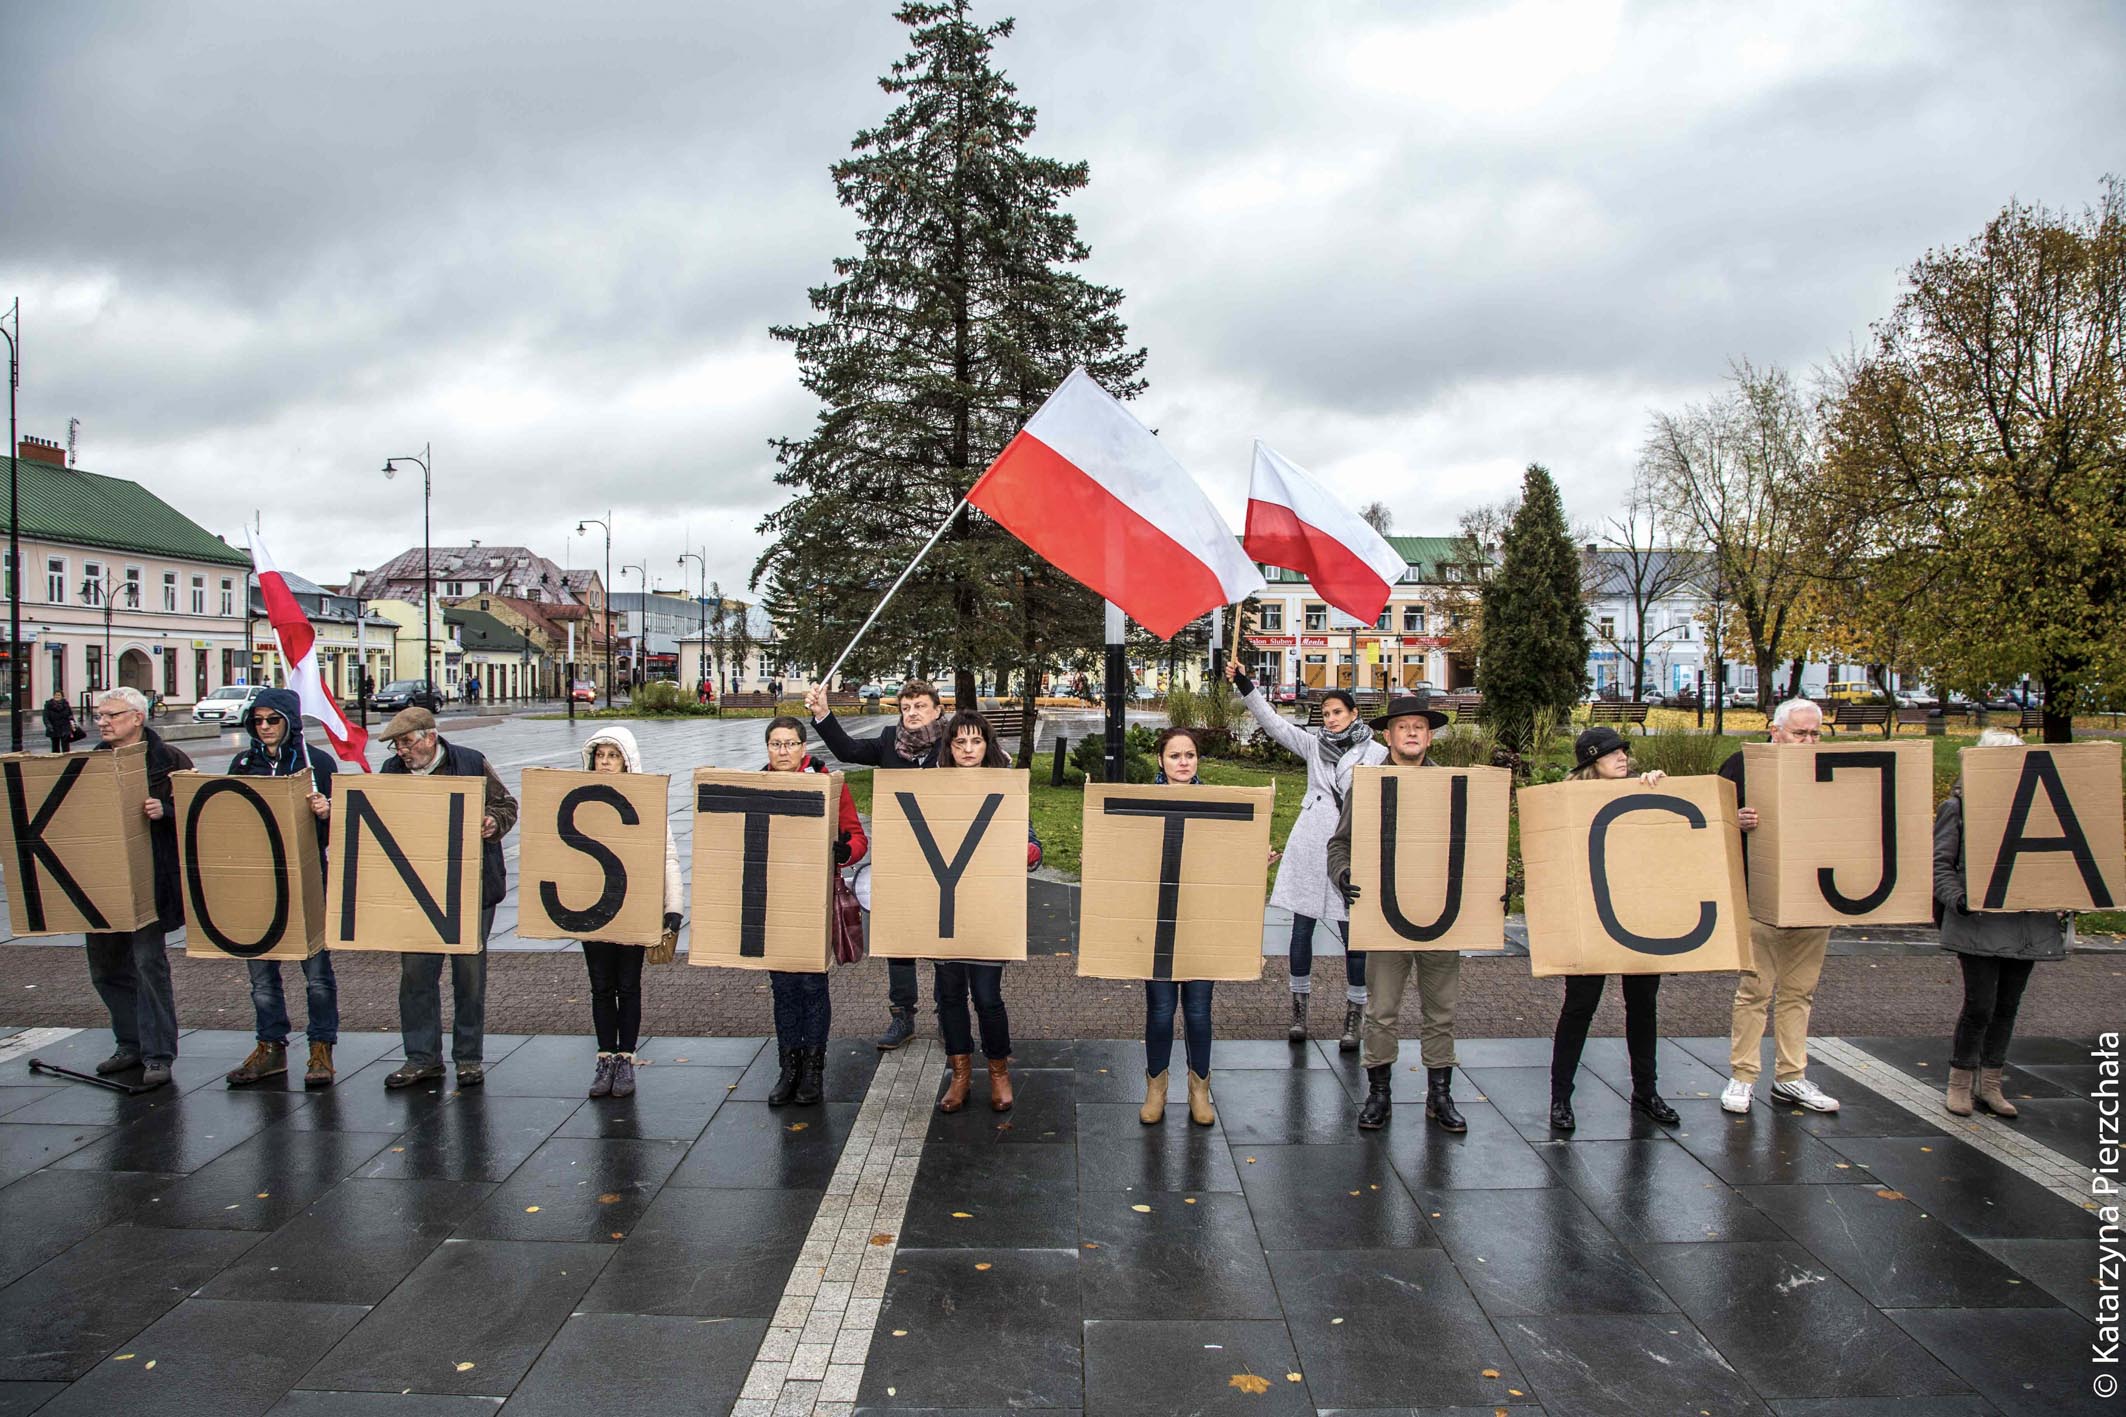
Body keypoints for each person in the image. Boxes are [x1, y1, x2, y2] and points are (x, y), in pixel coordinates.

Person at [1326, 693, 1466, 1133]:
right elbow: (1339, 843)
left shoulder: (1452, 786)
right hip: (1386, 917)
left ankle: (1438, 1094)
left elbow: (1472, 847)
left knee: (1440, 1010)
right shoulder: (1368, 786)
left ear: (1429, 737)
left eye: (1419, 727)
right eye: (1403, 727)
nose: (1411, 733)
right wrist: (1344, 874)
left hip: (1440, 915)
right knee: (1382, 1010)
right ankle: (1378, 1092)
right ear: (1387, 735)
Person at [1226, 659, 1372, 1047]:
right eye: (1325, 714)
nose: (1331, 719)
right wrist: (1245, 683)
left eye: (1338, 712)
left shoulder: (1376, 752)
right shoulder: (1313, 744)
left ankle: (1355, 1015)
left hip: (1352, 846)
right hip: (1310, 842)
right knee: (1301, 927)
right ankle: (1298, 1011)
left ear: (1354, 713)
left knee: (1354, 933)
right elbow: (1273, 723)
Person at [375, 707, 518, 1089]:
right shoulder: (393, 772)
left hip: (472, 887)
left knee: (469, 977)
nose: (401, 751)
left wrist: (492, 823)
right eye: (397, 745)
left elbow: (507, 805)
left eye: (406, 742)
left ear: (430, 737)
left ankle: (468, 1058)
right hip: (419, 890)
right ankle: (422, 1057)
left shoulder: (470, 763)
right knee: (416, 976)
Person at [1545, 726, 1680, 1130]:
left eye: (1623, 750)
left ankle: (1646, 1091)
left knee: (1643, 1005)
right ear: (1591, 761)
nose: (1622, 756)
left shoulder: (1641, 791)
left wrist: (1656, 789)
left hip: (1636, 916)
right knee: (1579, 1007)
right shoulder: (1568, 802)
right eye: (1611, 752)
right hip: (1590, 916)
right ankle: (1561, 1097)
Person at [1932, 727, 2067, 1118]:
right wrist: (1959, 899)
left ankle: (1990, 1083)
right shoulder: (1957, 807)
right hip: (1978, 923)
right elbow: (1940, 863)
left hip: (2025, 922)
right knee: (1981, 1005)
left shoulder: (2039, 810)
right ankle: (1960, 1081)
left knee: (2008, 1005)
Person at [805, 677, 947, 1049]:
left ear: (937, 709)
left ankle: (949, 1013)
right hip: (900, 858)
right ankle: (903, 1016)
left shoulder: (953, 744)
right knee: (899, 939)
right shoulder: (889, 741)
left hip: (947, 860)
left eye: (920, 706)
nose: (912, 713)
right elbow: (849, 749)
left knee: (946, 938)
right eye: (906, 707)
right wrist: (823, 714)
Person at [1720, 698, 1840, 1114]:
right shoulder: (1741, 765)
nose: (1808, 741)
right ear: (1775, 730)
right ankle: (1743, 1076)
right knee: (1754, 990)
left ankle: (1792, 1077)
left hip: (1813, 899)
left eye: (1815, 734)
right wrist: (1735, 821)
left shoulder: (1831, 770)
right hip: (1760, 898)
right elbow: (1710, 823)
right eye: (1800, 733)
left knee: (1799, 992)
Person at [222, 689, 341, 1089]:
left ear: (289, 721)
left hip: (308, 879)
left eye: (273, 720)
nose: (265, 727)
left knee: (317, 973)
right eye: (257, 721)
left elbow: (346, 826)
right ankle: (270, 1045)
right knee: (260, 974)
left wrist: (328, 812)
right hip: (260, 882)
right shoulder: (243, 763)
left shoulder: (316, 763)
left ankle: (321, 1048)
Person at [930, 710, 1043, 1114]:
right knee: (950, 995)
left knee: (987, 996)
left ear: (987, 745)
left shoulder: (1007, 786)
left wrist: (1029, 852)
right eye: (959, 742)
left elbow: (1032, 841)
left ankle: (998, 1071)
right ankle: (960, 1073)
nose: (968, 749)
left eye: (976, 741)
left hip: (990, 907)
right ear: (949, 747)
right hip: (946, 907)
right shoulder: (932, 787)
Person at [82, 687, 193, 1090]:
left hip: (150, 882)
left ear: (137, 718)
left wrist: (166, 811)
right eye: (99, 715)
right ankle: (129, 1043)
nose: (102, 722)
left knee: (148, 965)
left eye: (111, 714)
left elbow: (202, 814)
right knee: (106, 968)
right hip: (102, 883)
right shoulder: (93, 760)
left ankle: (158, 1053)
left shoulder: (170, 762)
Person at [761, 715, 867, 1106]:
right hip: (776, 900)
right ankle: (787, 1067)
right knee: (783, 988)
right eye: (776, 744)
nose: (783, 751)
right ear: (768, 748)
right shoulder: (757, 785)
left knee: (811, 985)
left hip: (815, 898)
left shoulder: (829, 783)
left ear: (804, 747)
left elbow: (857, 837)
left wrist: (846, 852)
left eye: (790, 743)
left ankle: (813, 1069)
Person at [577, 726, 684, 1099]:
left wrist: (673, 907)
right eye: (600, 756)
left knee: (628, 983)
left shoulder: (646, 801)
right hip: (593, 907)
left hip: (635, 905)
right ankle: (605, 1056)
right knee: (601, 986)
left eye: (613, 755)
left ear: (626, 760)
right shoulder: (579, 801)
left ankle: (626, 1058)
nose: (605, 763)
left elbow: (667, 853)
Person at [1141, 726, 1221, 1128]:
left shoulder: (1217, 804)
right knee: (1159, 1011)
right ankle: (1156, 1087)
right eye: (1175, 756)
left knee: (1198, 1011)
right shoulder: (1142, 802)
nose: (1183, 762)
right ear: (1160, 760)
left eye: (1189, 755)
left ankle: (1199, 1089)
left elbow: (1228, 862)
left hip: (1201, 923)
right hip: (1157, 924)